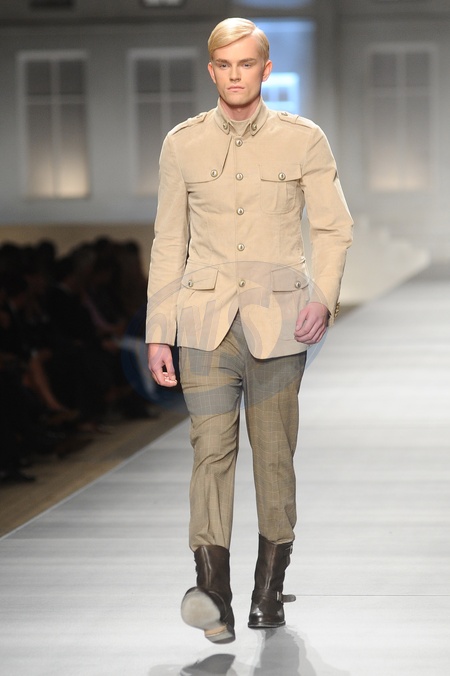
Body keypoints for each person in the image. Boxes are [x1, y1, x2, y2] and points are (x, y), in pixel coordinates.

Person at [146, 17, 353, 644]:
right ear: (211, 71)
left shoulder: (303, 140)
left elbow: (333, 227)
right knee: (209, 451)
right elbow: (168, 241)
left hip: (279, 324)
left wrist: (323, 298)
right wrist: (158, 331)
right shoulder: (182, 144)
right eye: (224, 64)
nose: (235, 75)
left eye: (246, 64)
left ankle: (268, 588)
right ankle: (213, 593)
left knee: (273, 455)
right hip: (203, 325)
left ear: (266, 69)